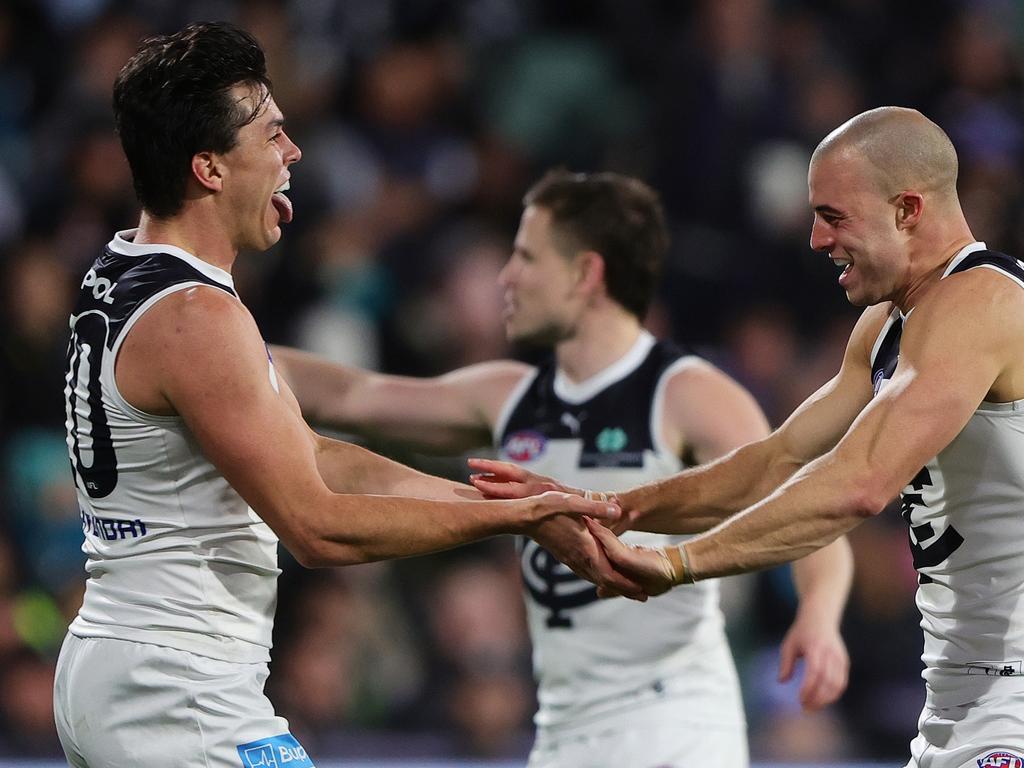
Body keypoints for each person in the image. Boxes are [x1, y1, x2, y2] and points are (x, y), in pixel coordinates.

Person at [53, 23, 625, 768]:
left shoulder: (124, 270)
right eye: (272, 136)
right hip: (175, 688)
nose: (291, 155)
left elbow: (312, 456)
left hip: (125, 667)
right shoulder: (196, 318)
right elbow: (318, 527)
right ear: (210, 168)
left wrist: (501, 504)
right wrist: (514, 523)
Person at [475, 107, 1024, 767]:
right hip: (960, 704)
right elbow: (776, 460)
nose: (817, 239)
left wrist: (678, 563)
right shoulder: (887, 327)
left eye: (834, 216)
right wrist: (605, 508)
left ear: (908, 208)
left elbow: (857, 485)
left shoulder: (984, 306)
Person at [271, 170, 853, 766]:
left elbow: (804, 507)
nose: (508, 275)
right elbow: (349, 396)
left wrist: (819, 615)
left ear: (586, 273)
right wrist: (224, 346)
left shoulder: (685, 395)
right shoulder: (509, 397)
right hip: (561, 730)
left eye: (526, 256)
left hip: (673, 720)